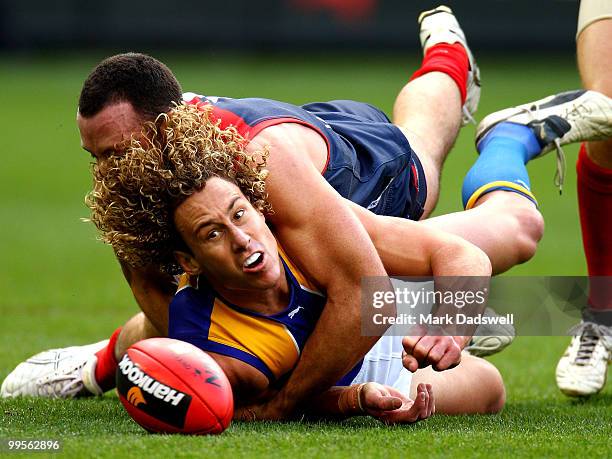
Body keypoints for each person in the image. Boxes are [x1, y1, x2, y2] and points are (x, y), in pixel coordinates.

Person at [4, 5, 611, 411]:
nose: (103, 171)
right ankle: (97, 360)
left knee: (496, 217)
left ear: (165, 127)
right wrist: (155, 367)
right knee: (227, 290)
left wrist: (287, 406)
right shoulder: (141, 176)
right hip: (305, 168)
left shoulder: (256, 168)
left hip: (353, 176)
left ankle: (495, 123)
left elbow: (365, 289)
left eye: (112, 153)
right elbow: (173, 313)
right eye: (95, 156)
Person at [90, 106, 506, 421]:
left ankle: (509, 138)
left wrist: (450, 322)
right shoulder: (220, 354)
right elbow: (271, 405)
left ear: (256, 204)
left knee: (519, 231)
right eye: (212, 234)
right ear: (188, 261)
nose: (241, 239)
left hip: (385, 291)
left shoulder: (293, 228)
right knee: (491, 389)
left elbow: (460, 255)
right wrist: (356, 398)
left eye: (239, 214)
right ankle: (101, 360)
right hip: (371, 367)